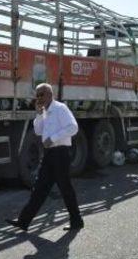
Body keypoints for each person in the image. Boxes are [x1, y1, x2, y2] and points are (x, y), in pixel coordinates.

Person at [6, 83, 84, 232]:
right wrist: (39, 114)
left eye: (42, 94)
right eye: (37, 95)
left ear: (50, 94)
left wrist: (53, 138)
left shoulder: (60, 108)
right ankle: (24, 222)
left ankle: (77, 220)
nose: (39, 98)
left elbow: (73, 127)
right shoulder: (45, 112)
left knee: (65, 188)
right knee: (40, 188)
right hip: (49, 154)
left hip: (61, 153)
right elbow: (38, 131)